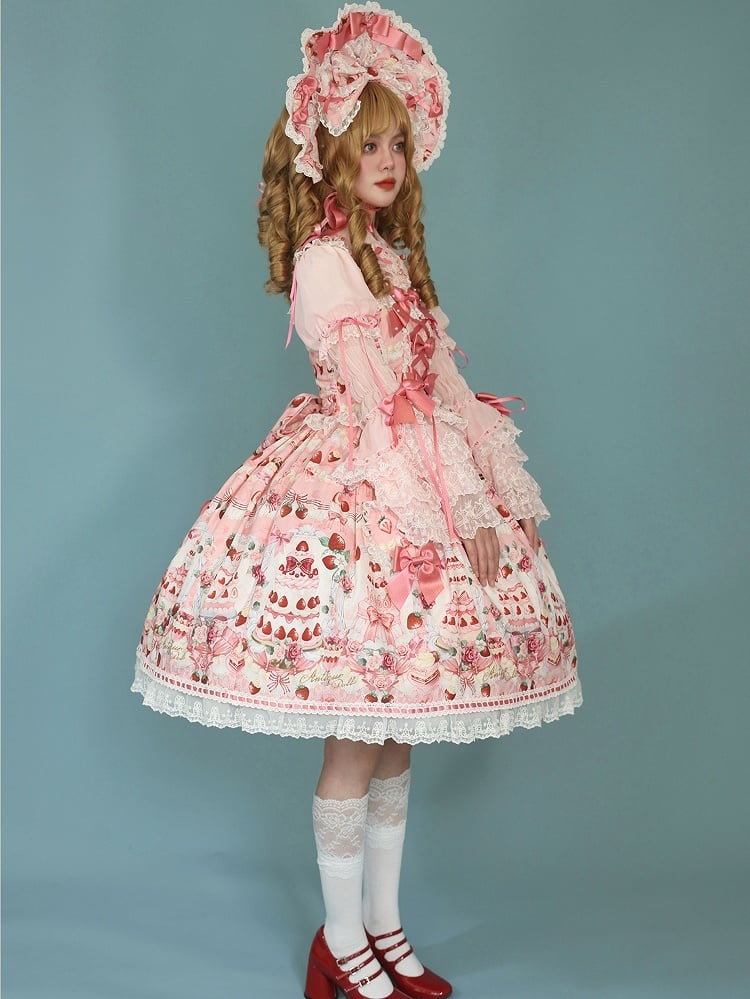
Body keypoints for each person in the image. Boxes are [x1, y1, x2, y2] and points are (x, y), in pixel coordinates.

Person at [131, 5, 582, 998]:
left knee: (396, 732)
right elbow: (386, 408)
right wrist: (459, 504)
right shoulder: (325, 264)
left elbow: (446, 390)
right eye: (369, 143)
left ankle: (384, 927)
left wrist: (499, 485)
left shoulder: (390, 260)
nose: (388, 161)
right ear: (330, 151)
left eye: (398, 145)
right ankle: (338, 942)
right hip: (364, 494)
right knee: (356, 724)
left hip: (420, 474)